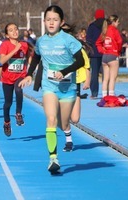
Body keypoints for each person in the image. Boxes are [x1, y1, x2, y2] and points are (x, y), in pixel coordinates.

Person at [19, 5, 85, 174]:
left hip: (68, 88)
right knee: (50, 119)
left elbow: (80, 62)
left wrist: (64, 72)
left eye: (55, 20)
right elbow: (36, 58)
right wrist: (29, 75)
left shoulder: (68, 40)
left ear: (61, 22)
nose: (51, 22)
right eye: (48, 19)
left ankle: (66, 133)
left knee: (64, 124)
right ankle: (53, 158)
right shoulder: (41, 41)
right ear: (44, 21)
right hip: (49, 87)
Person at [0, 23, 31, 136]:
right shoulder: (5, 45)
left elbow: (29, 56)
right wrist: (14, 50)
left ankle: (18, 114)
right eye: (11, 30)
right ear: (7, 35)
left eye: (16, 29)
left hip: (20, 75)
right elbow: (1, 61)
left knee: (18, 89)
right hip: (7, 78)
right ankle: (7, 122)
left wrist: (28, 72)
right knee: (8, 103)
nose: (15, 31)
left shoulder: (24, 45)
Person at [95, 15, 123, 97]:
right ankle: (111, 96)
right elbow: (120, 41)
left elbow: (98, 43)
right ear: (114, 22)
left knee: (105, 78)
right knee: (112, 78)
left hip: (105, 56)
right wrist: (118, 51)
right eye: (118, 22)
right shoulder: (114, 30)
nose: (118, 24)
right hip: (113, 55)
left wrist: (102, 50)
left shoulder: (105, 30)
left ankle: (104, 96)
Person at [86, 9, 105, 99]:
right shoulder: (106, 26)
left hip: (95, 53)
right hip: (105, 52)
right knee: (106, 73)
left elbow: (88, 40)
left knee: (94, 74)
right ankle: (107, 92)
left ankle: (94, 93)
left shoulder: (92, 26)